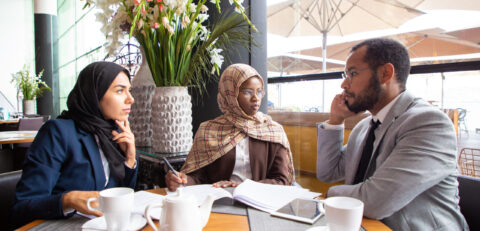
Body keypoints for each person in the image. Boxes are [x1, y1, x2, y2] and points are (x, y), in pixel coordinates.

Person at [316, 38, 468, 230]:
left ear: (385, 74)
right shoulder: (365, 127)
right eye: (345, 75)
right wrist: (336, 121)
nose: (344, 84)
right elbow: (328, 173)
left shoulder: (428, 124)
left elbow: (375, 201)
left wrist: (329, 194)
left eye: (352, 73)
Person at [11, 61, 137, 229]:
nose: (131, 99)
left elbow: (120, 196)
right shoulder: (57, 132)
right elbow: (22, 207)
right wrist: (67, 200)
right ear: (94, 93)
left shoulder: (113, 132)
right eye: (120, 90)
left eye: (129, 90)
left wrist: (130, 158)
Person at [166, 63, 294, 191]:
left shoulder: (273, 131)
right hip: (217, 203)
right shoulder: (208, 130)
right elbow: (198, 178)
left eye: (259, 91)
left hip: (259, 205)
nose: (256, 98)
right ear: (230, 94)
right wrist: (181, 180)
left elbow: (282, 180)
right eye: (247, 92)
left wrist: (242, 187)